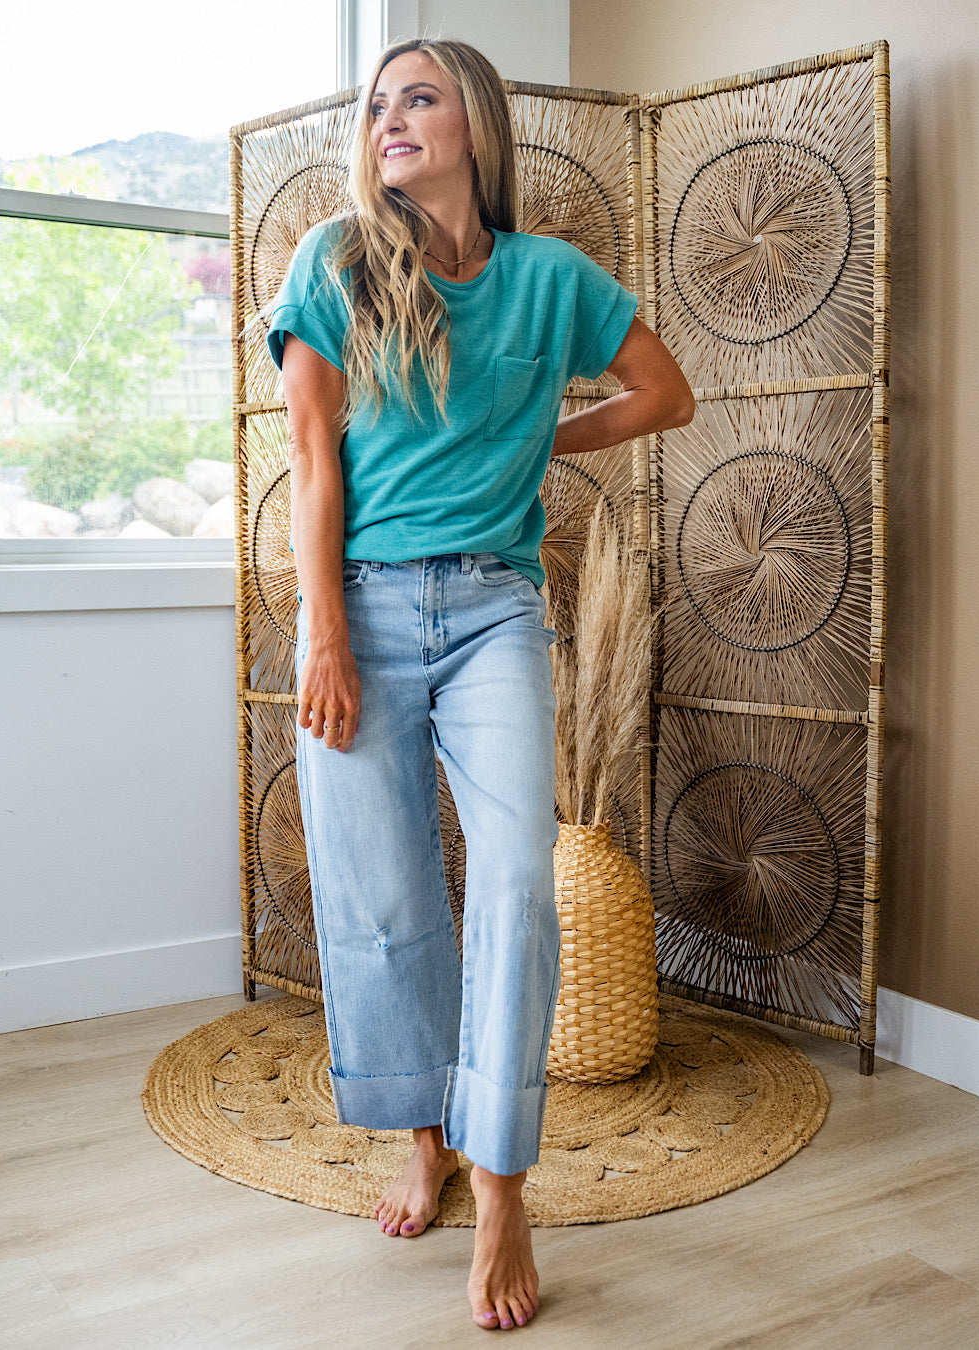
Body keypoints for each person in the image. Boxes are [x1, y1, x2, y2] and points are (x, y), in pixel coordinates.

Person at [267, 37, 694, 1331]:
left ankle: (502, 1183)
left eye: (420, 96)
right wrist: (325, 637)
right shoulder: (335, 263)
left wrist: (536, 439)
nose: (389, 118)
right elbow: (313, 463)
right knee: (386, 895)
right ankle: (426, 1141)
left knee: (514, 881)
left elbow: (665, 394)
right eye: (377, 104)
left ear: (476, 124)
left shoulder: (550, 281)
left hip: (495, 611)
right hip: (360, 608)